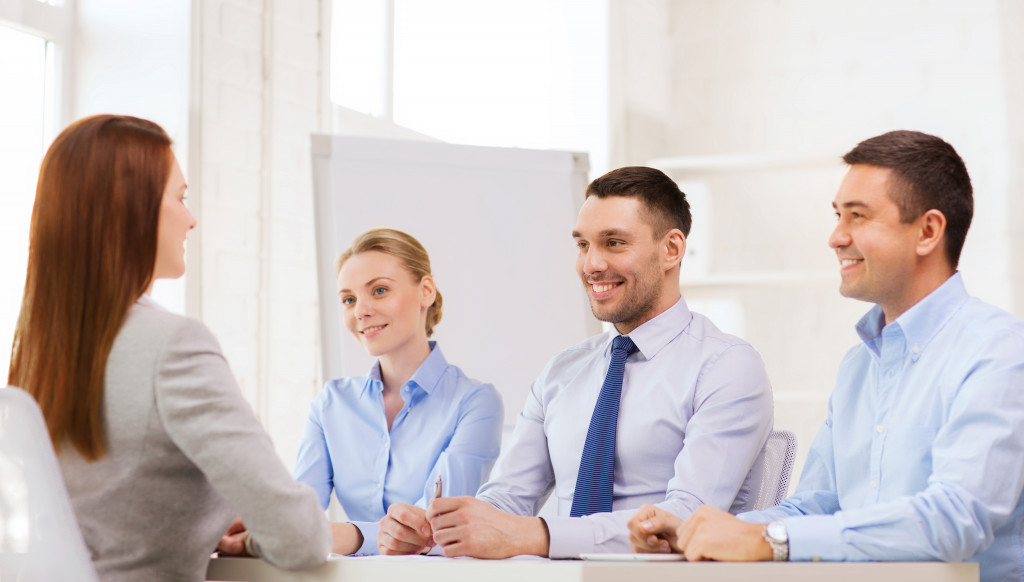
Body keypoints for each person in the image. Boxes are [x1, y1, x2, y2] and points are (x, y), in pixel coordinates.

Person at [627, 131, 1024, 582]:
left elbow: (955, 521)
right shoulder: (860, 366)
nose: (836, 237)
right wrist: (698, 531)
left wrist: (770, 542)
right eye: (838, 216)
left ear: (928, 231)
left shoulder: (999, 353)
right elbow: (815, 505)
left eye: (858, 216)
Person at [376, 166, 774, 558]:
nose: (591, 264)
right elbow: (508, 500)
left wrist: (537, 536)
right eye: (583, 245)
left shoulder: (726, 367)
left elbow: (685, 519)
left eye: (613, 243)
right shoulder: (561, 373)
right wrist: (443, 531)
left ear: (671, 249)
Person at [7, 114, 331, 581]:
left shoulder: (39, 352)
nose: (191, 218)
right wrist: (255, 536)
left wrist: (207, 522)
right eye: (180, 198)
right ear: (130, 209)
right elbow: (301, 537)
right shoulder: (174, 346)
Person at [292, 228, 504, 555]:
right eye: (348, 299)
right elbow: (299, 515)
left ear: (426, 291)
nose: (360, 310)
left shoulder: (475, 403)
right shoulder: (331, 404)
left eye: (379, 290)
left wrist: (347, 536)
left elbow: (430, 528)